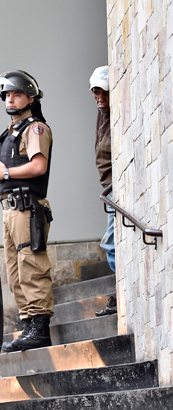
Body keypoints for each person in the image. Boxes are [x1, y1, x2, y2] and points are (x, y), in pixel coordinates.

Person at [0, 70, 55, 352]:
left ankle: (39, 327)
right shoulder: (11, 132)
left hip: (27, 209)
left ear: (30, 97)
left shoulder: (35, 128)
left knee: (31, 267)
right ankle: (28, 323)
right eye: (7, 95)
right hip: (10, 210)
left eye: (16, 94)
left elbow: (39, 166)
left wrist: (6, 172)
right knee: (14, 272)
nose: (10, 99)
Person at [89, 65, 117, 317]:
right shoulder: (103, 114)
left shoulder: (116, 113)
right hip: (109, 190)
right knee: (112, 243)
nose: (100, 98)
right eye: (96, 93)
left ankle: (121, 292)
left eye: (104, 93)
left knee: (110, 243)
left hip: (116, 190)